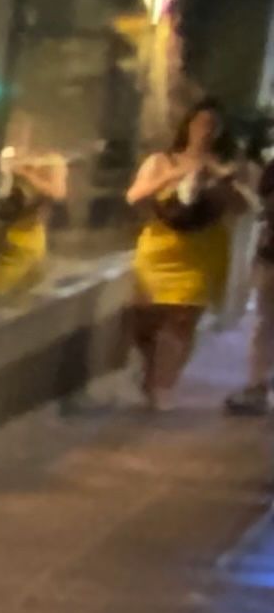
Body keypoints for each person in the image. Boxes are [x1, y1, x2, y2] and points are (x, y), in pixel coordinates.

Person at [126, 93, 246, 411]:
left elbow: (243, 207)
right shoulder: (161, 161)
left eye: (213, 125)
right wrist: (172, 175)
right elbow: (134, 196)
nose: (205, 130)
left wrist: (220, 177)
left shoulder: (227, 167)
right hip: (159, 250)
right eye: (200, 123)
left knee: (182, 320)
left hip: (201, 252)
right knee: (145, 322)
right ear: (188, 126)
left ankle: (164, 383)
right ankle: (151, 370)